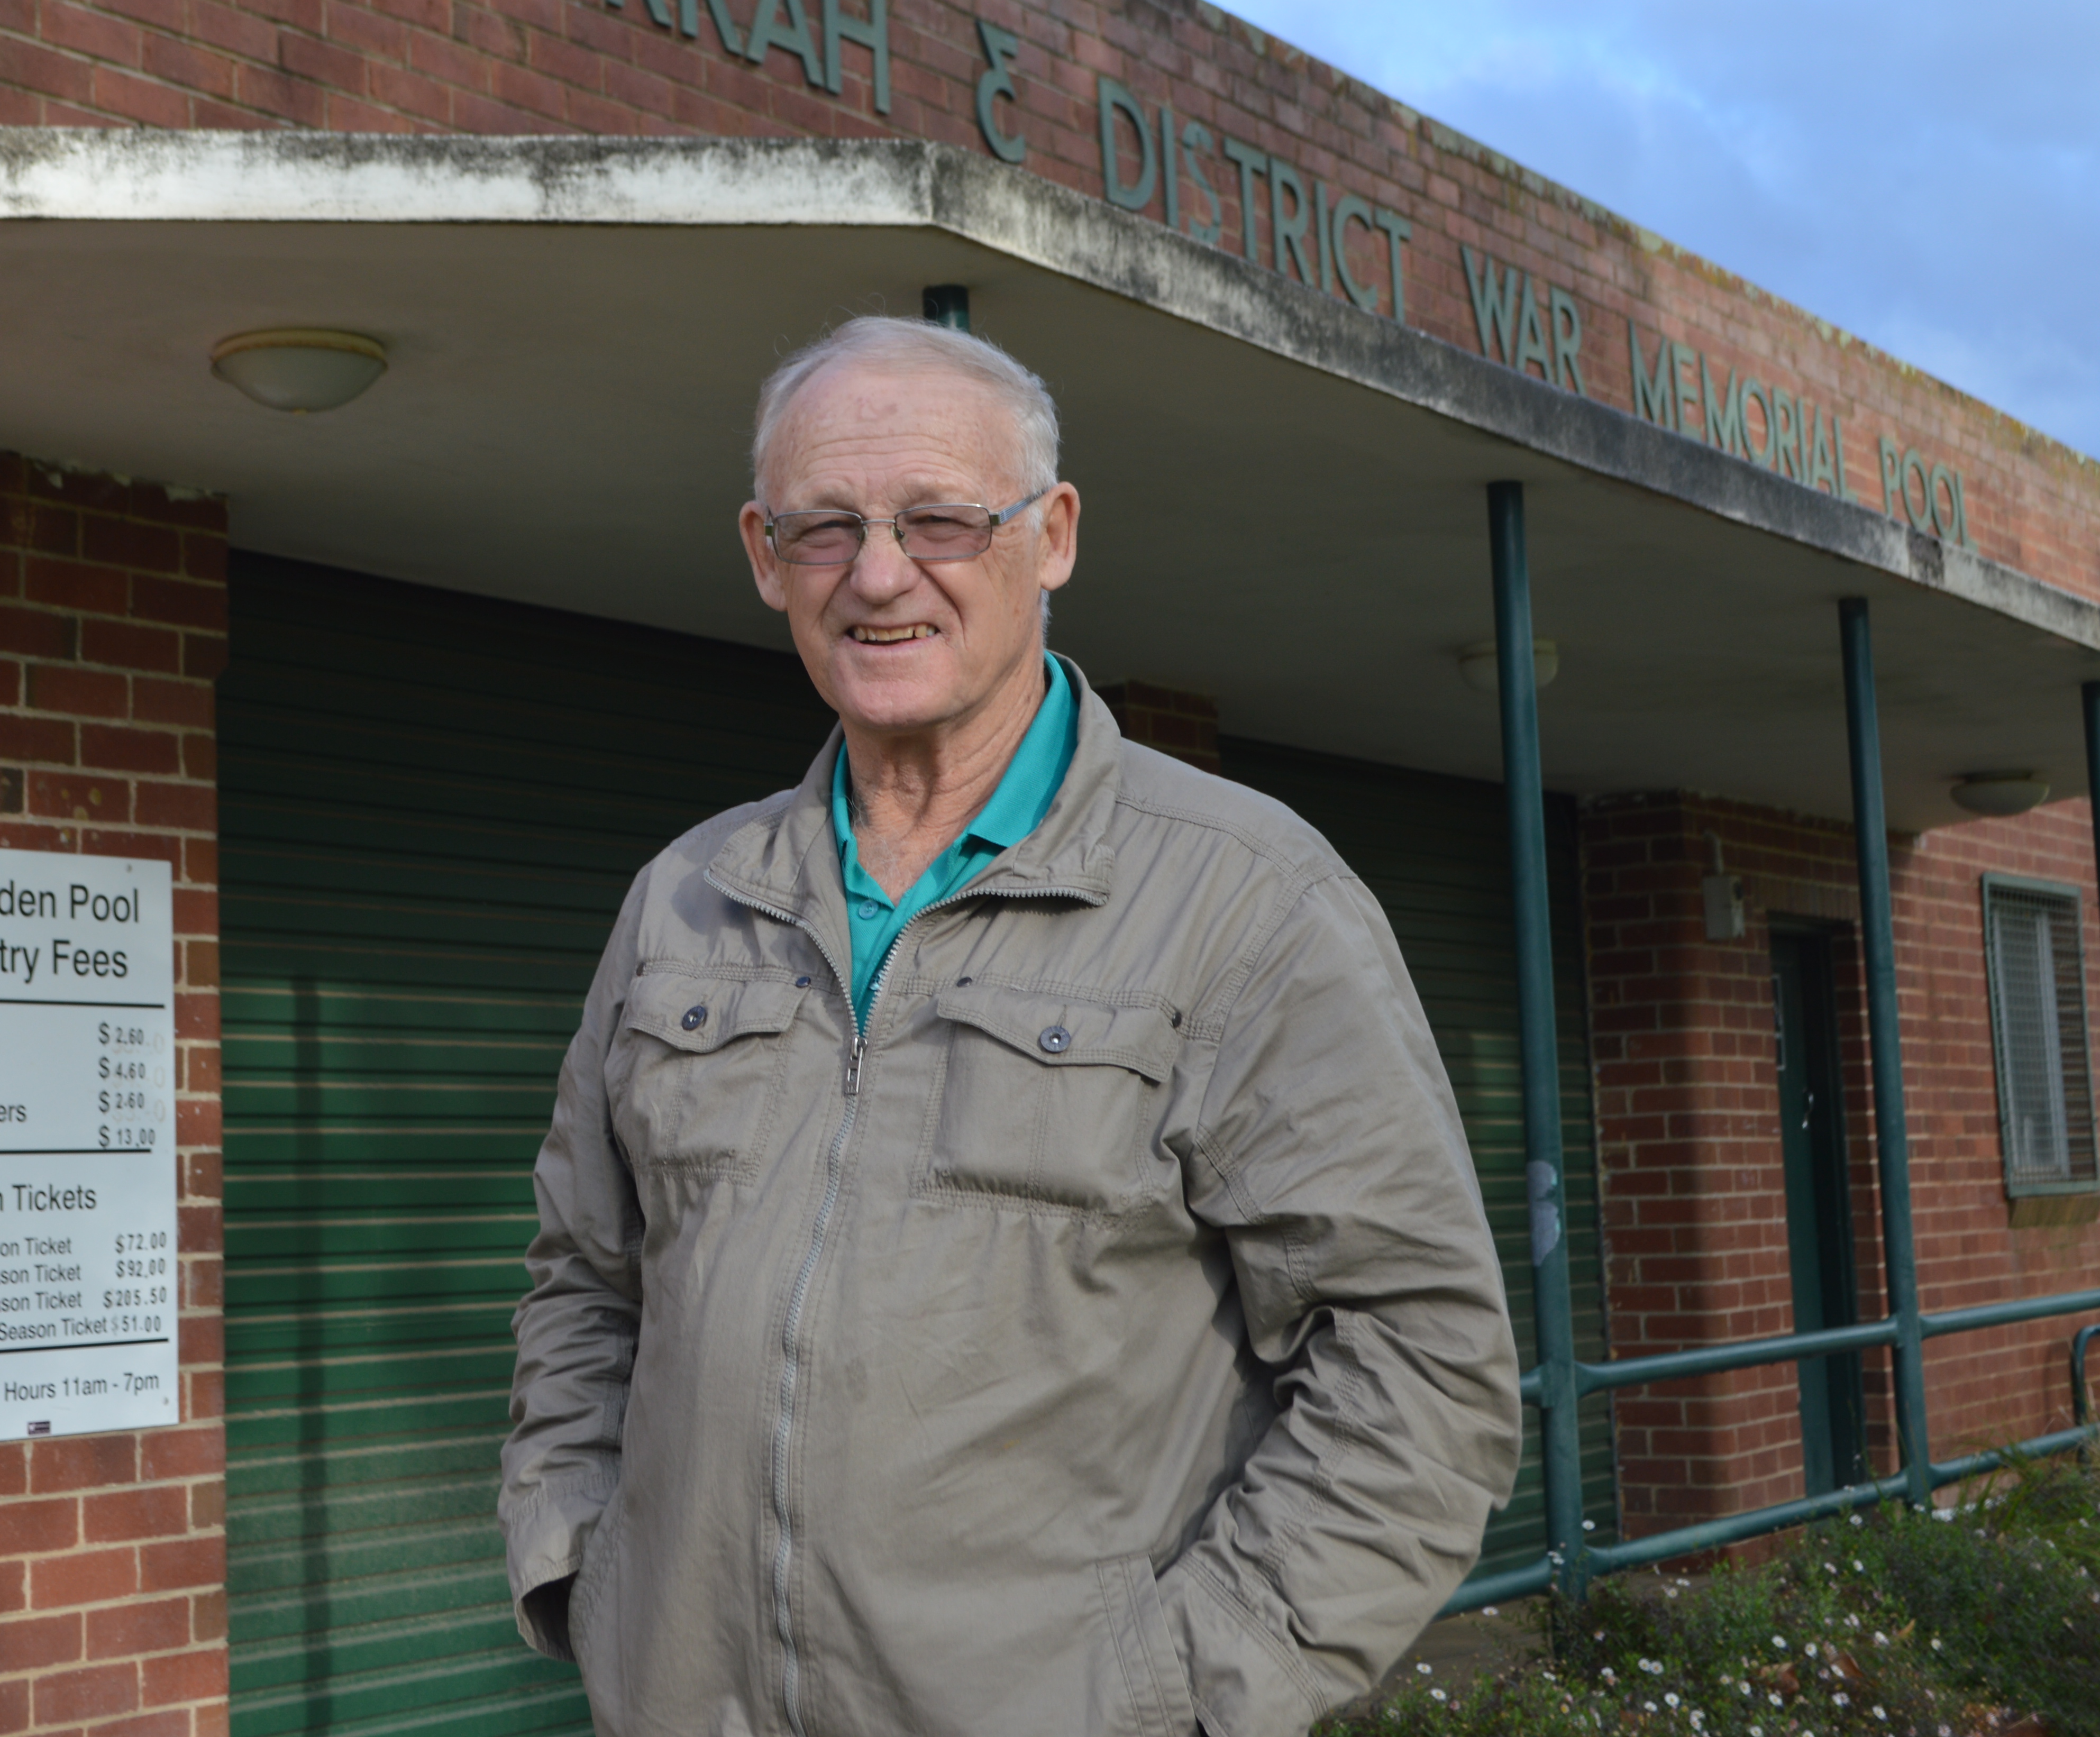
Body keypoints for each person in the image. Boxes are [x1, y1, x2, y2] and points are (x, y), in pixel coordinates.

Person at [498, 316, 1519, 1737]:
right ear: (760, 553)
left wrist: (1183, 1694)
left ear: (1052, 535)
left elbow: (1420, 1359)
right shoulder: (686, 898)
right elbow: (586, 1279)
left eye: (939, 520)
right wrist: (584, 1562)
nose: (877, 574)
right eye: (824, 528)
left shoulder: (1246, 896)